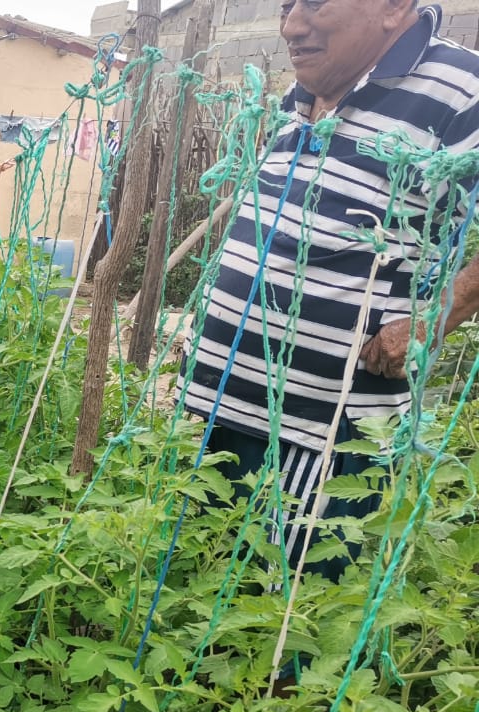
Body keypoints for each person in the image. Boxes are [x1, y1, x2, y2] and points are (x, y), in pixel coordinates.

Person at [185, 0, 479, 580]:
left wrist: (439, 315)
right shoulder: (307, 90)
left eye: (316, 3)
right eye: (287, 5)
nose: (292, 25)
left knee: (286, 606)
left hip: (323, 426)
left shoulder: (461, 88)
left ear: (394, 6)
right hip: (222, 401)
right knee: (203, 584)